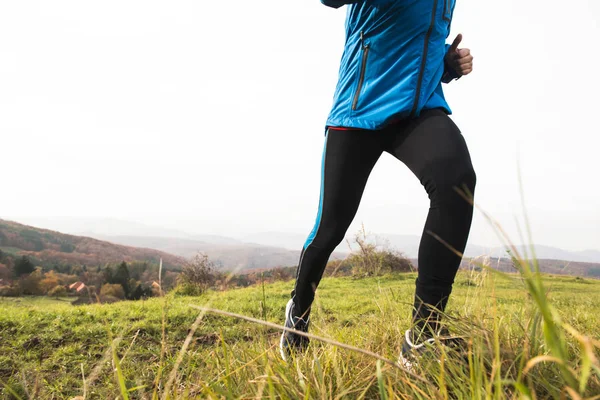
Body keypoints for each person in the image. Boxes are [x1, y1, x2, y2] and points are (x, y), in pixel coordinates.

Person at [280, 0, 476, 367]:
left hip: (418, 110)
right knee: (330, 230)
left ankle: (423, 336)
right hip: (359, 109)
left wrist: (445, 68)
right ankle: (299, 311)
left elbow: (418, 42)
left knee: (457, 183)